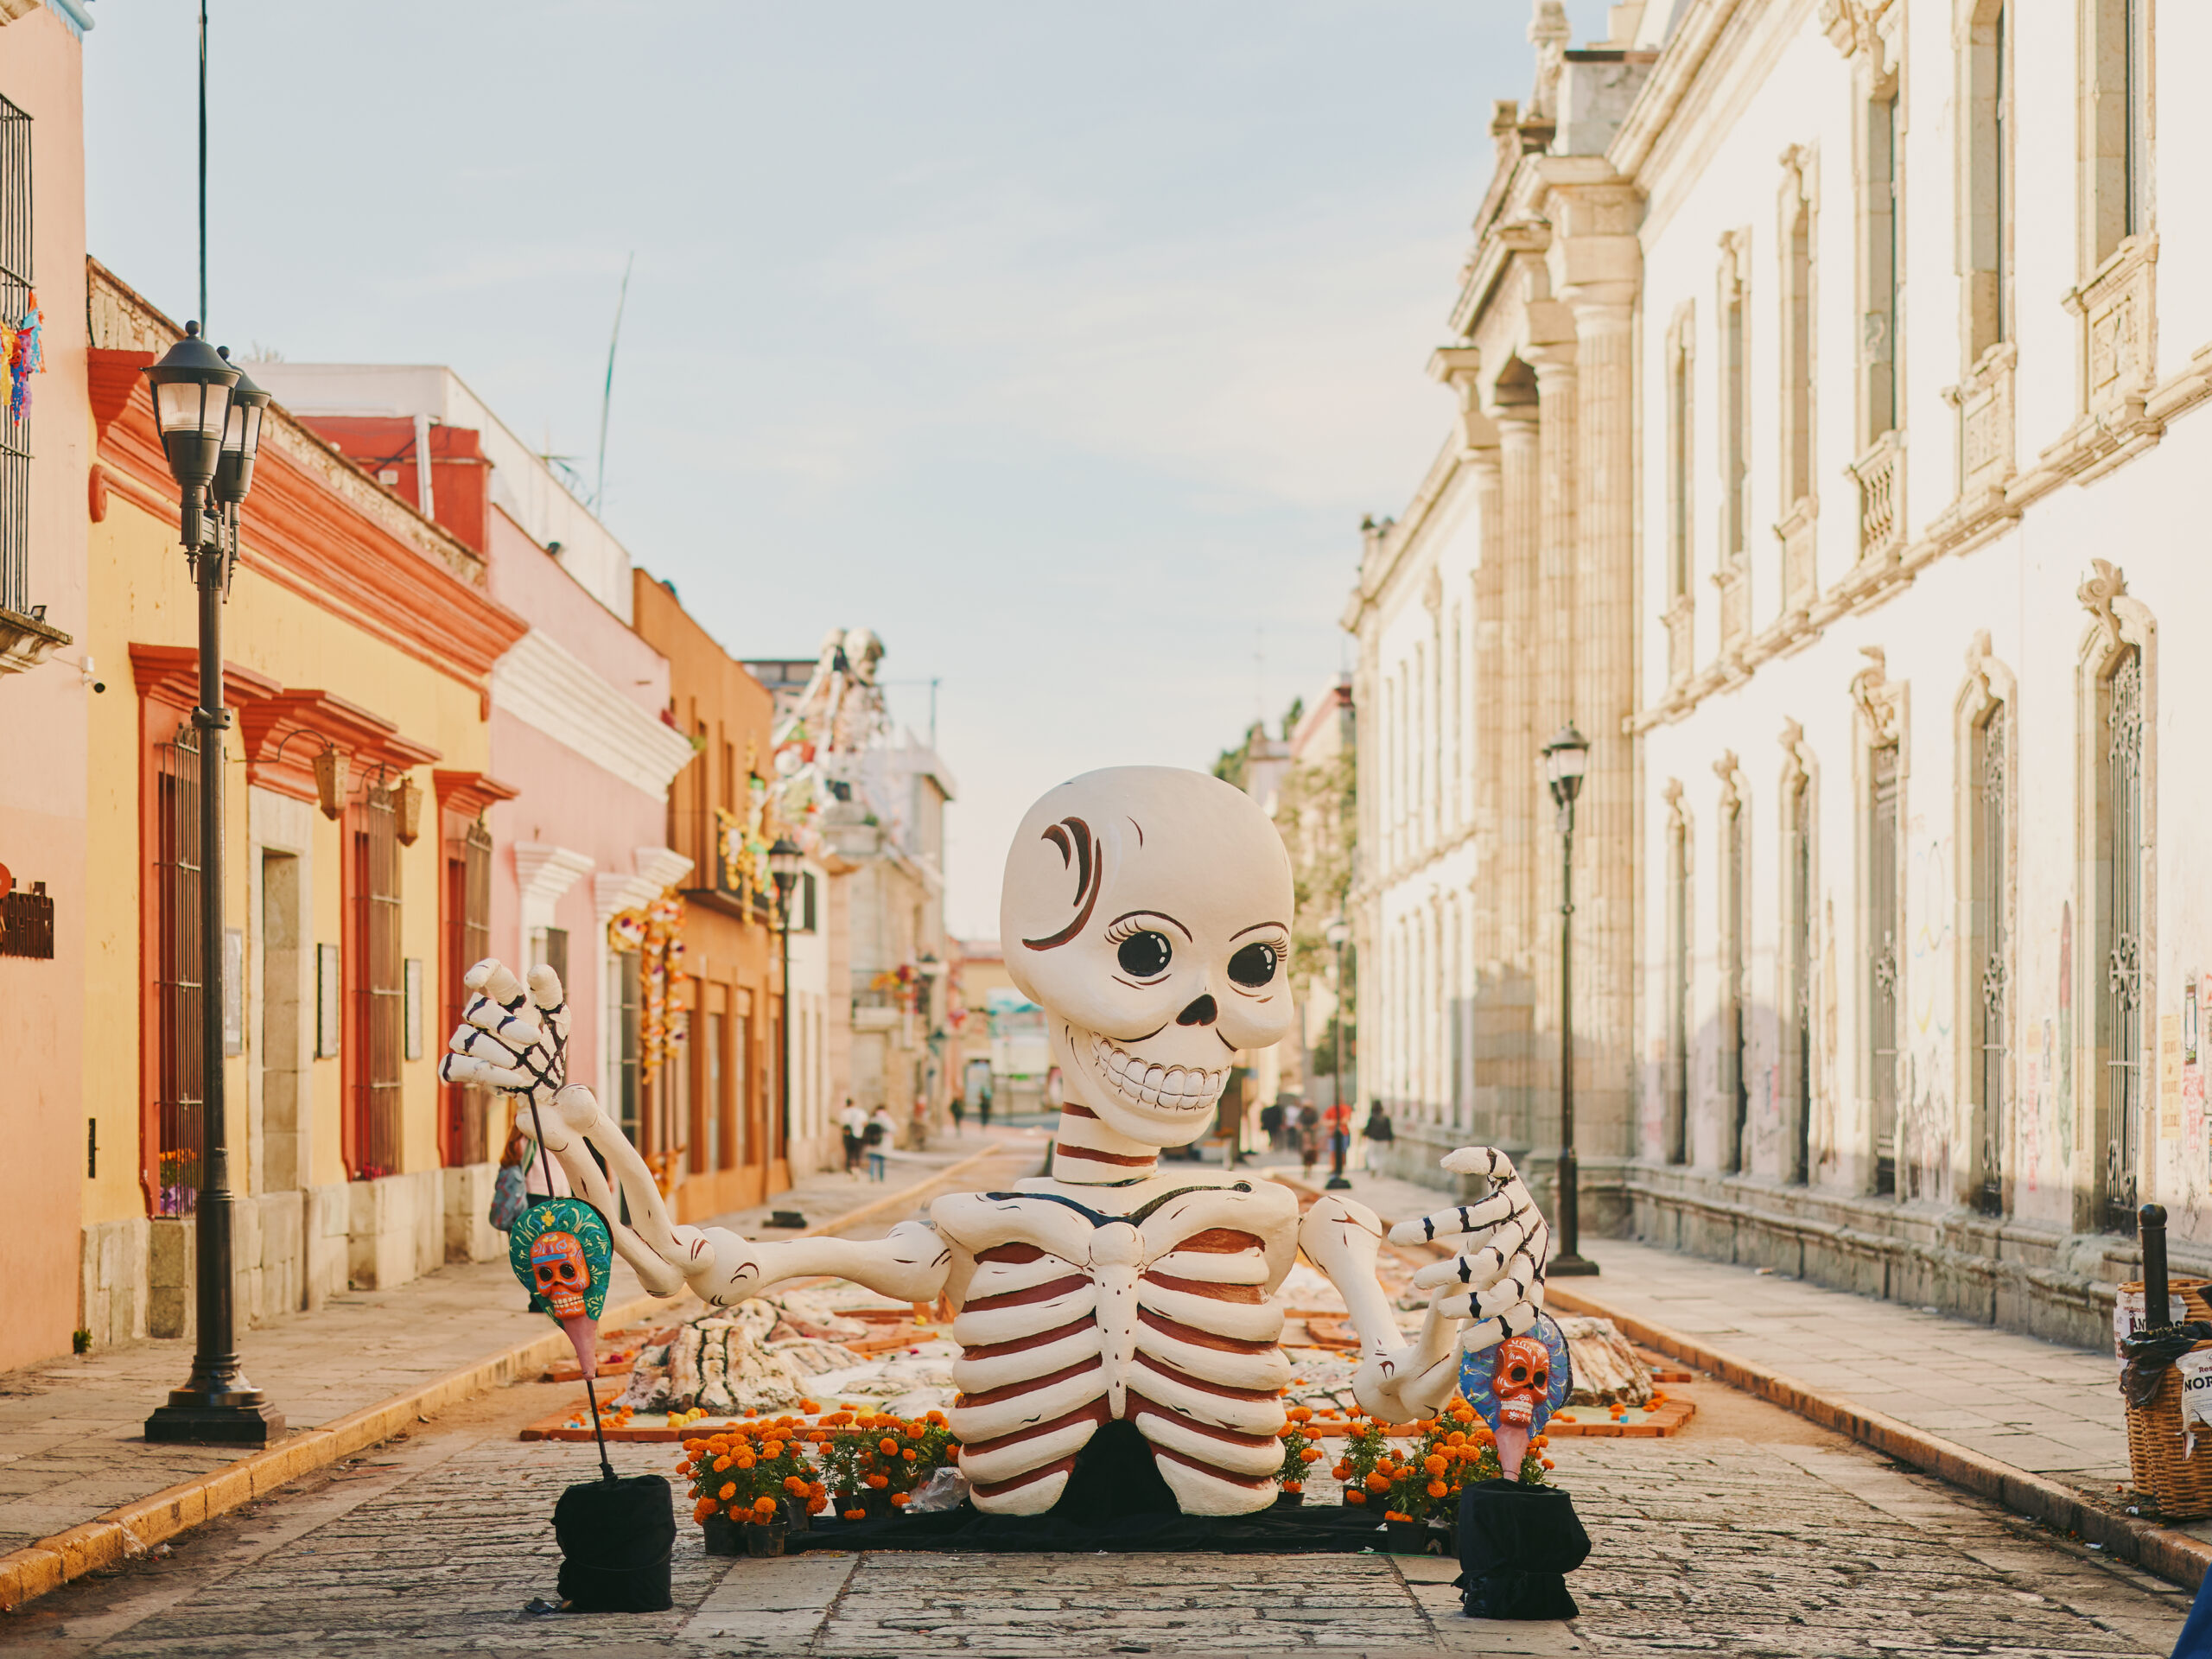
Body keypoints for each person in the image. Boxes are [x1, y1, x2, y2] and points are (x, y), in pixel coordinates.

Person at [1359, 1100, 1395, 1173]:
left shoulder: (1372, 1118)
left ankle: (1373, 1166)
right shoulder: (1386, 1119)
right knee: (1382, 1156)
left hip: (1373, 1139)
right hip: (1384, 1140)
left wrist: (1364, 1136)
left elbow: (1368, 1129)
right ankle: (1379, 1172)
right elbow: (1389, 1131)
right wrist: (1391, 1140)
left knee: (1371, 1155)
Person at [865, 1104, 896, 1181]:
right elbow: (893, 1129)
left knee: (872, 1161)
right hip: (883, 1143)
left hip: (872, 1143)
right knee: (881, 1162)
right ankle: (881, 1178)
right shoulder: (887, 1119)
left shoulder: (872, 1118)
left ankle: (872, 1176)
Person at [838, 1098, 868, 1179]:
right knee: (858, 1153)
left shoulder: (844, 1112)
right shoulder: (861, 1112)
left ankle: (849, 1171)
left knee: (849, 1154)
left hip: (848, 1136)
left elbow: (842, 1124)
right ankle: (857, 1169)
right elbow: (865, 1123)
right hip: (859, 1135)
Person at [1297, 1099, 1321, 1179]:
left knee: (1312, 1153)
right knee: (1304, 1153)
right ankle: (1305, 1170)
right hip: (1304, 1134)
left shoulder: (1314, 1113)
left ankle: (1310, 1170)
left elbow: (1317, 1123)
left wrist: (1313, 1127)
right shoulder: (1302, 1114)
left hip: (1312, 1134)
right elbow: (1299, 1122)